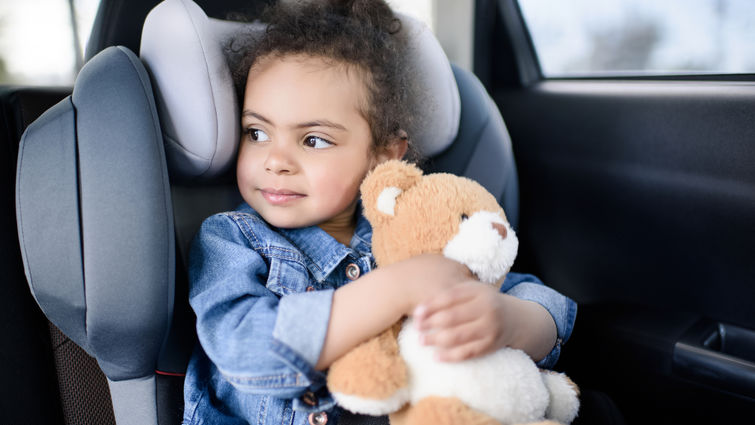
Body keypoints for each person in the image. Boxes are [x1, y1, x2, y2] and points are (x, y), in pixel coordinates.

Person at [183, 1, 576, 424]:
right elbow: (246, 351)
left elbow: (538, 297)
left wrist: (509, 321)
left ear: (382, 156)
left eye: (313, 140)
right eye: (256, 133)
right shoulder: (232, 238)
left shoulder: (408, 225)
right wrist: (394, 289)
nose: (275, 161)